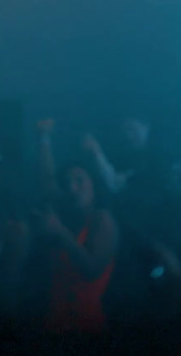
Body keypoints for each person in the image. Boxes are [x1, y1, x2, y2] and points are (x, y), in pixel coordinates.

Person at [28, 120, 119, 333]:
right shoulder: (67, 214)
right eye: (67, 182)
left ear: (93, 184)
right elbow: (47, 179)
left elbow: (92, 269)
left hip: (86, 326)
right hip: (53, 321)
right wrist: (43, 138)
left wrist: (60, 232)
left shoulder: (102, 219)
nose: (72, 187)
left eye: (79, 180)